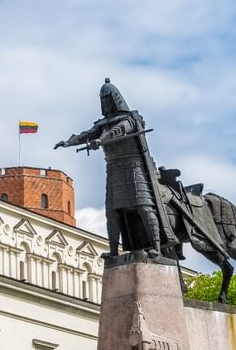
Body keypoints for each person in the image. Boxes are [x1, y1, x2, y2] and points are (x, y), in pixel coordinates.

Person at [55, 79, 162, 257]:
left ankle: (157, 248)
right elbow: (87, 134)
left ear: (115, 99)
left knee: (143, 207)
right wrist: (68, 142)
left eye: (107, 99)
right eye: (102, 100)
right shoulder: (102, 124)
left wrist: (102, 139)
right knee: (112, 212)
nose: (104, 103)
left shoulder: (129, 119)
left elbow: (120, 130)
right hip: (113, 170)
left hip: (133, 168)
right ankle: (114, 251)